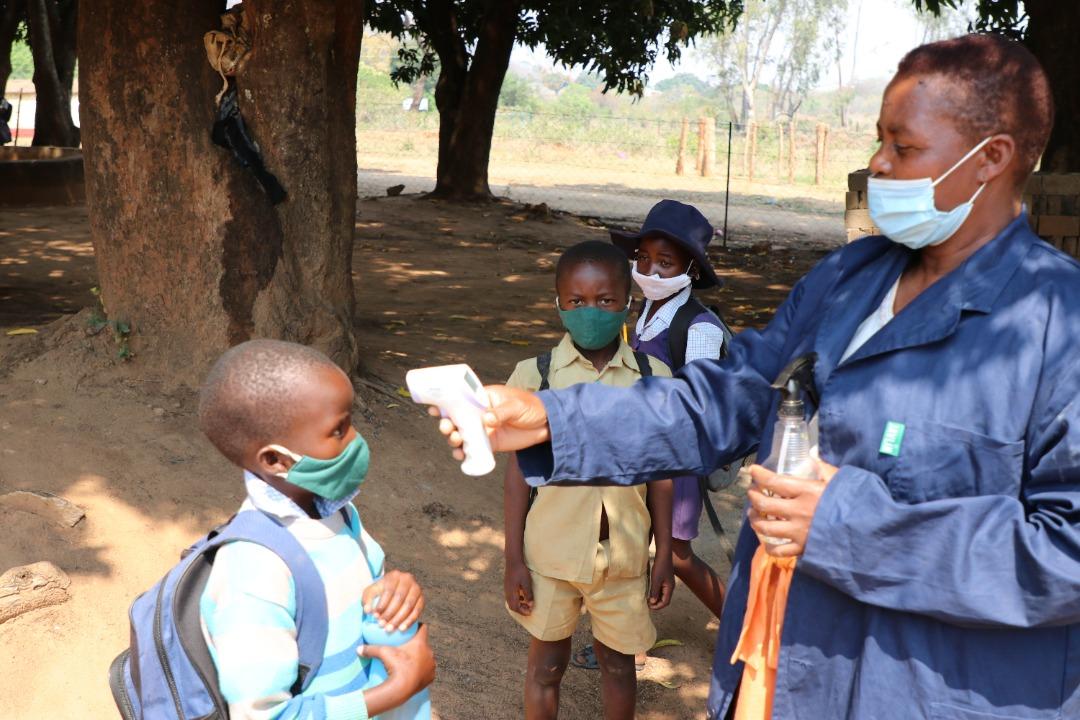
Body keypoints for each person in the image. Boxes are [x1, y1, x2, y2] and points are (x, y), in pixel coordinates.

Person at [431, 34, 1080, 720]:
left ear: (994, 159)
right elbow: (729, 395)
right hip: (785, 663)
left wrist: (849, 523)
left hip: (931, 691)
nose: (877, 163)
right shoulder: (852, 278)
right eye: (878, 141)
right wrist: (552, 418)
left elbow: (1066, 552)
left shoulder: (1057, 326)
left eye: (904, 147)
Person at [198, 339, 436, 719]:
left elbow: (363, 590)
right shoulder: (254, 572)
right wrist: (396, 692)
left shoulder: (334, 512)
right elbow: (265, 716)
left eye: (350, 420)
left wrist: (392, 591)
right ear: (275, 459)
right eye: (338, 431)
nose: (356, 439)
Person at [501, 240, 675, 719]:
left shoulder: (651, 376)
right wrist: (513, 558)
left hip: (623, 559)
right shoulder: (534, 377)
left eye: (605, 300)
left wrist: (663, 557)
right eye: (576, 302)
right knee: (546, 667)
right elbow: (518, 475)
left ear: (627, 302)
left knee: (618, 667)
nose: (590, 311)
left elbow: (661, 475)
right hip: (550, 556)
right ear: (558, 303)